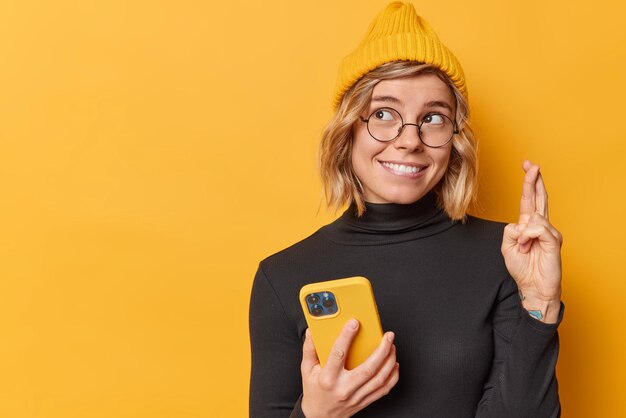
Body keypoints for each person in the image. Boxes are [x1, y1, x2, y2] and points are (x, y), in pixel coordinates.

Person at [249, 2, 563, 417]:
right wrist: (317, 414)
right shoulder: (282, 275)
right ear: (348, 128)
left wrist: (541, 302)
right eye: (383, 113)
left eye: (433, 118)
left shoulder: (506, 256)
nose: (409, 140)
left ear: (454, 139)